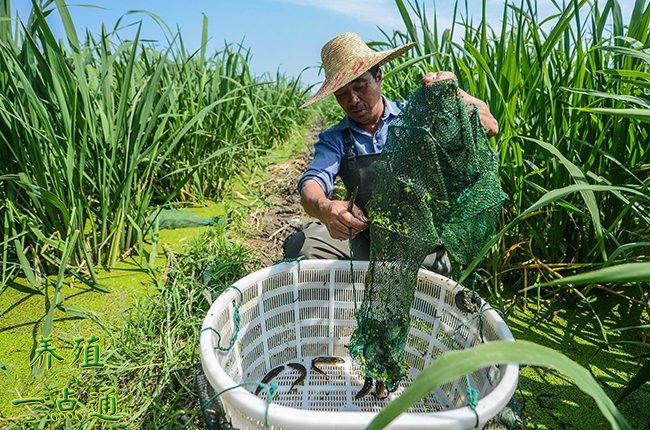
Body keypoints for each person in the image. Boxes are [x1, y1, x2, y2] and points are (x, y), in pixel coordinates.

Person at [283, 32, 498, 276]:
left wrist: (451, 95)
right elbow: (312, 182)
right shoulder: (336, 138)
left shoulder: (415, 118)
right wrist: (325, 207)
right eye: (342, 94)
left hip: (418, 241)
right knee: (303, 247)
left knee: (430, 275)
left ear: (378, 77)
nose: (353, 100)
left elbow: (489, 126)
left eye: (359, 86)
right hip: (364, 238)